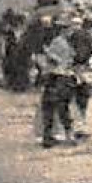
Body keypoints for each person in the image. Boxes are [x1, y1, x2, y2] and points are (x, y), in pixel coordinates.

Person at [33, 10, 78, 148]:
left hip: (55, 76)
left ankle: (49, 136)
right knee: (61, 107)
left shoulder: (59, 42)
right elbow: (54, 59)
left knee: (50, 107)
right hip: (61, 77)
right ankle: (66, 135)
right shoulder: (60, 42)